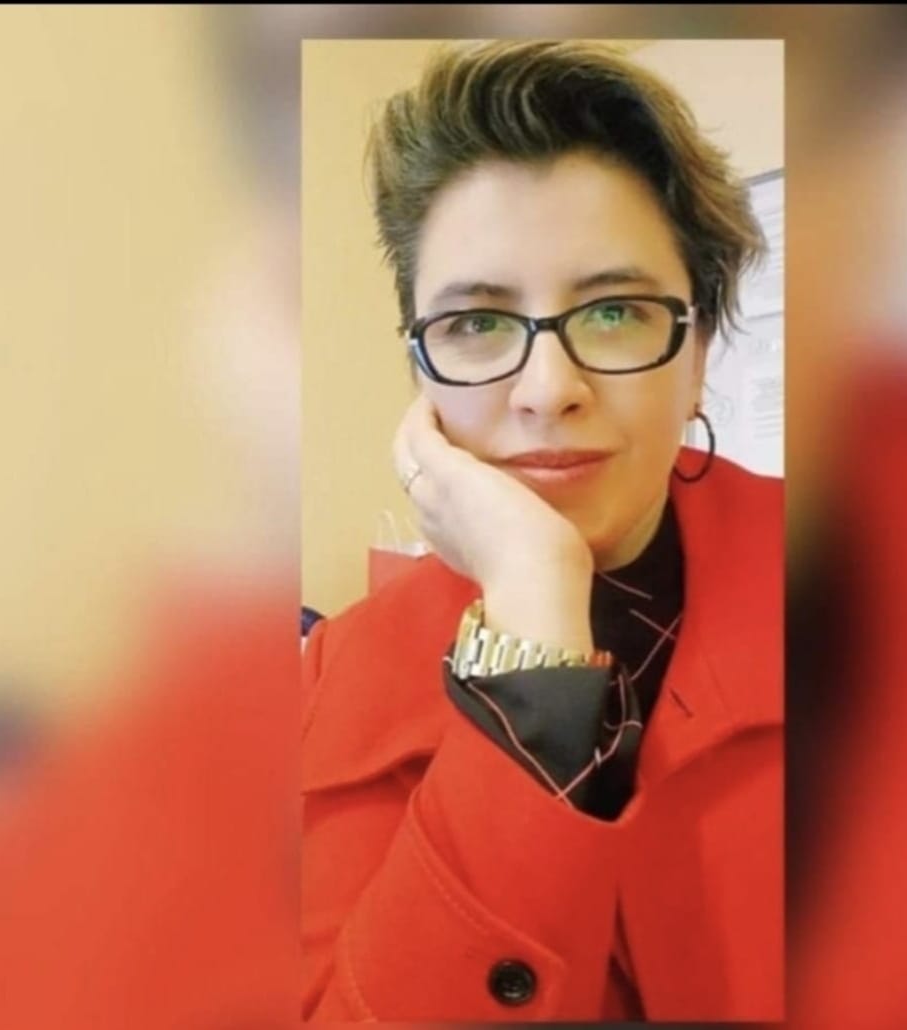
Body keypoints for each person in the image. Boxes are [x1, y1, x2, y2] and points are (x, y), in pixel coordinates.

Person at [301, 40, 783, 1022]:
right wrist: (531, 602)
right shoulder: (326, 683)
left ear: (697, 355)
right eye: (477, 324)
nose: (546, 390)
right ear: (420, 372)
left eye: (612, 311)